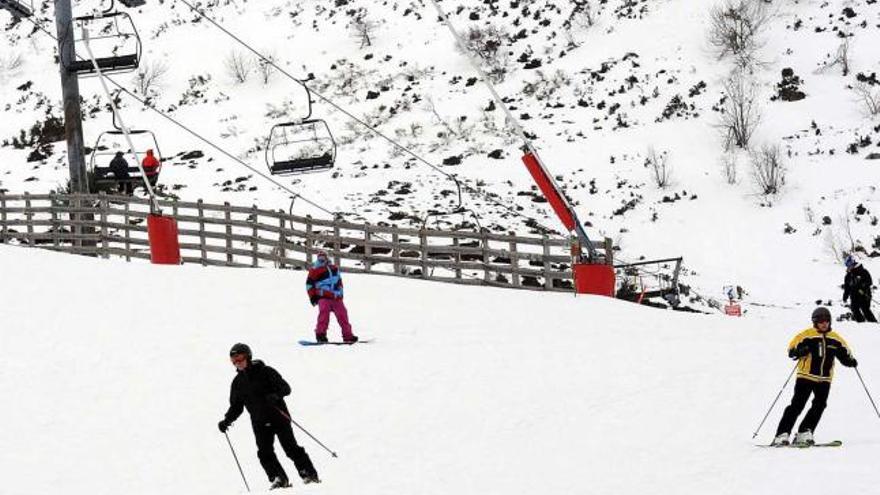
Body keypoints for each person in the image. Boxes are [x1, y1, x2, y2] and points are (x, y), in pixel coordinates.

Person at [218, 343, 320, 489]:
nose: (237, 363)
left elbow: (286, 388)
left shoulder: (266, 371)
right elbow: (236, 406)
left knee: (290, 448)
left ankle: (309, 473)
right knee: (264, 453)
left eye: (240, 359)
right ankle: (279, 478)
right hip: (259, 421)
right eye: (234, 361)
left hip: (278, 417)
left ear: (248, 357)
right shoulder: (238, 383)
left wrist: (276, 395)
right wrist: (227, 420)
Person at [771, 307, 858, 446]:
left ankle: (804, 432)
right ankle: (782, 434)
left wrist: (850, 361)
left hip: (825, 378)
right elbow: (792, 350)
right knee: (797, 405)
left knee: (820, 405)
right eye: (821, 321)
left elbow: (844, 353)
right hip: (806, 376)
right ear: (815, 322)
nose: (824, 324)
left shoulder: (835, 339)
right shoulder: (807, 335)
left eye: (827, 321)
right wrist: (799, 351)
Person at [306, 250, 358, 343]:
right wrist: (313, 297)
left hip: (335, 296)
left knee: (343, 314)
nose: (322, 260)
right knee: (324, 314)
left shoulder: (334, 268)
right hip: (323, 296)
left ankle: (348, 335)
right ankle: (320, 335)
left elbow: (339, 281)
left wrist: (340, 293)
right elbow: (309, 285)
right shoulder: (315, 270)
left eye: (324, 257)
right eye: (320, 258)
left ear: (327, 258)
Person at [843, 255, 876, 323]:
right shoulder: (848, 276)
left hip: (864, 294)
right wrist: (845, 296)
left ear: (853, 263)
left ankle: (874, 324)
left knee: (865, 309)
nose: (848, 266)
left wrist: (862, 287)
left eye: (850, 264)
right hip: (854, 296)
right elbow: (847, 287)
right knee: (854, 309)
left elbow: (869, 282)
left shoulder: (863, 271)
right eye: (847, 265)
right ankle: (861, 323)